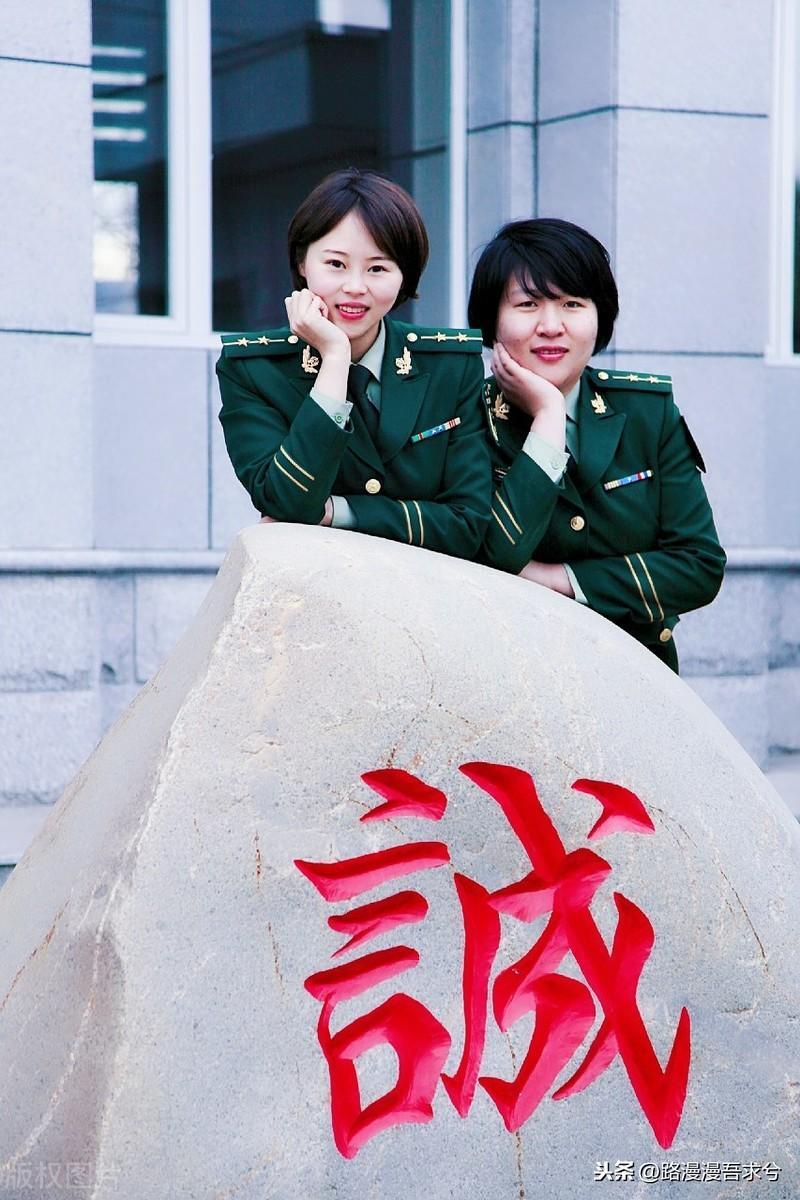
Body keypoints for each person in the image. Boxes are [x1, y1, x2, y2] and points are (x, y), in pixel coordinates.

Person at [468, 217, 725, 671]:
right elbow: (488, 560)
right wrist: (548, 415)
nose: (551, 326)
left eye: (572, 303)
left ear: (599, 314)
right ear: (492, 320)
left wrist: (558, 579)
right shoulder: (463, 417)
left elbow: (698, 566)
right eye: (527, 304)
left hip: (637, 672)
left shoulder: (646, 413)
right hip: (508, 672)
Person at [216, 169, 491, 559]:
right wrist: (334, 358)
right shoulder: (253, 369)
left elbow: (467, 524)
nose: (356, 287)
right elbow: (286, 501)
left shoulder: (450, 365)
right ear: (302, 262)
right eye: (336, 264)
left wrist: (336, 511)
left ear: (404, 275)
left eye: (377, 268)